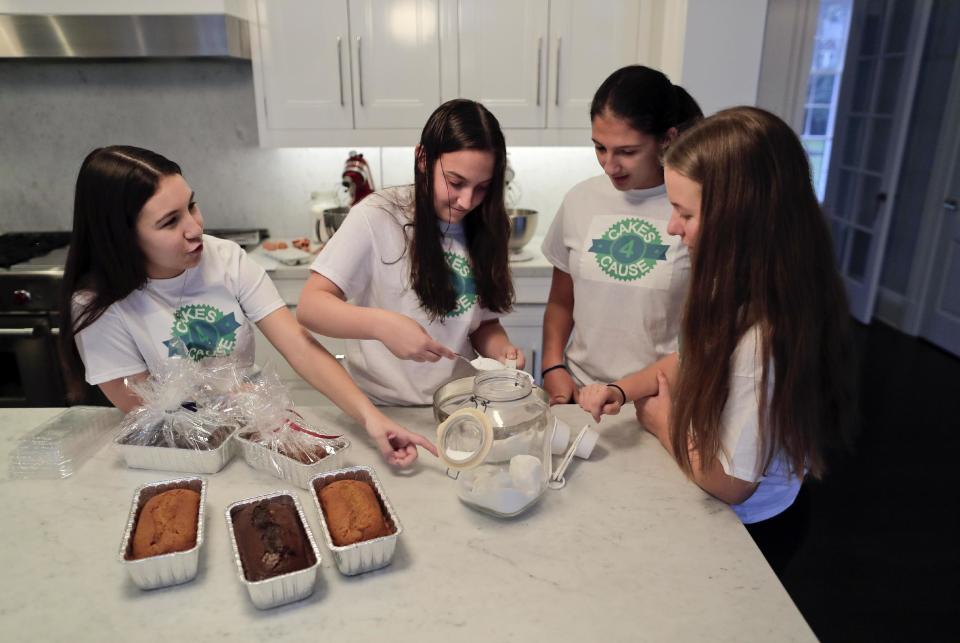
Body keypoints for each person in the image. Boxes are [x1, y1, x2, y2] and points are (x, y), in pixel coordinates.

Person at [578, 107, 856, 561]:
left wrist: (660, 420)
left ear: (739, 218)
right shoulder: (738, 282)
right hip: (711, 491)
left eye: (684, 212)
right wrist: (621, 391)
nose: (671, 227)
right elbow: (687, 357)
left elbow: (731, 483)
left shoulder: (764, 339)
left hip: (751, 534)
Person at [59, 146, 436, 467]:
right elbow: (144, 413)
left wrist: (372, 419)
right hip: (186, 458)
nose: (195, 227)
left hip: (264, 436)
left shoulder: (225, 258)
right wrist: (225, 407)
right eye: (170, 222)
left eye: (191, 205)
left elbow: (299, 347)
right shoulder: (97, 306)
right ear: (121, 237)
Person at [296, 99, 524, 405]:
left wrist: (501, 350)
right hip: (382, 408)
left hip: (460, 403)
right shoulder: (378, 215)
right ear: (422, 159)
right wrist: (382, 326)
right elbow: (310, 307)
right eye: (455, 182)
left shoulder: (487, 225)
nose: (467, 201)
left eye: (482, 187)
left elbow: (482, 323)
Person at [540, 65, 702, 405]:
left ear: (667, 139)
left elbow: (702, 335)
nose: (609, 165)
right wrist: (552, 365)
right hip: (580, 394)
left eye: (627, 152)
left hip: (661, 400)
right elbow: (561, 300)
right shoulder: (580, 200)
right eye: (600, 148)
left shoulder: (694, 211)